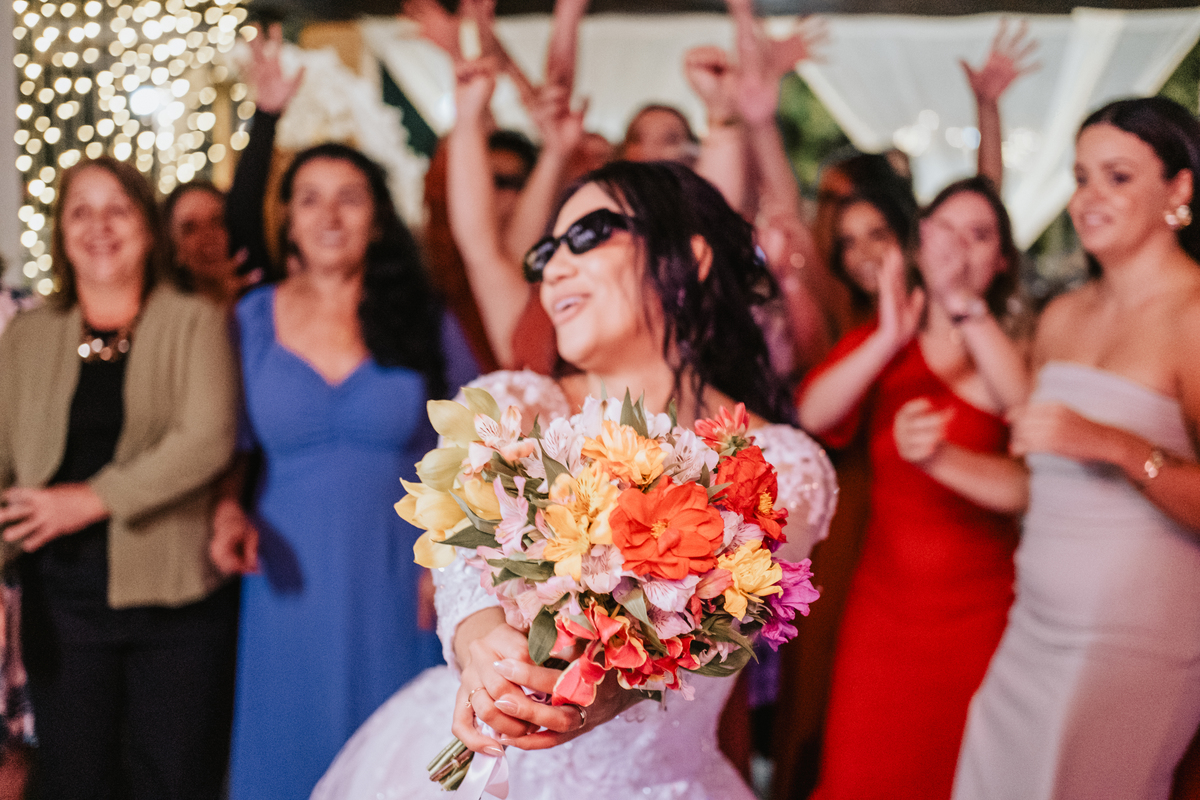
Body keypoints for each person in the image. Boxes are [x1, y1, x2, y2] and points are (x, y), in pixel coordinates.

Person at [311, 150, 838, 798]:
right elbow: (458, 570)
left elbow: (715, 635)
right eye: (547, 252)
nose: (555, 267)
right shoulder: (510, 410)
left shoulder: (780, 467)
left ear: (689, 257)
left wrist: (602, 693)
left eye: (589, 235)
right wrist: (482, 644)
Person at [210, 141, 478, 800]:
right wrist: (226, 509)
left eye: (349, 199)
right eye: (311, 199)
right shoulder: (249, 317)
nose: (329, 216)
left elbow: (476, 440)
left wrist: (451, 558)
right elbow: (228, 443)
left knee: (397, 755)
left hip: (402, 565)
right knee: (287, 748)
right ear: (288, 220)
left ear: (378, 219)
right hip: (286, 570)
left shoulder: (423, 315)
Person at [952, 96, 1200, 800]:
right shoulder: (1062, 315)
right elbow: (1038, 486)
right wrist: (939, 459)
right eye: (1081, 176)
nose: (1088, 198)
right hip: (1032, 627)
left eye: (1117, 177)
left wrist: (1117, 446)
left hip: (1134, 644)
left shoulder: (1193, 316)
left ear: (1179, 189)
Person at [0, 156, 239, 800]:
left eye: (118, 210)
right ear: (61, 232)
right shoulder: (28, 335)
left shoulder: (194, 319)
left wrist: (90, 500)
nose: (99, 227)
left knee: (174, 781)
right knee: (75, 783)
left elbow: (207, 439)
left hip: (175, 603)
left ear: (149, 229)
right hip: (59, 605)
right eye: (81, 211)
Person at [798, 175, 1029, 800]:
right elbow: (813, 413)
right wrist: (888, 339)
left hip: (982, 616)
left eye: (978, 235)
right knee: (857, 777)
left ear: (1002, 260)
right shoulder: (887, 337)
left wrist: (962, 306)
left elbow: (1030, 440)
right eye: (944, 229)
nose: (957, 246)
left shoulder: (1018, 349)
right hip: (882, 612)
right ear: (921, 242)